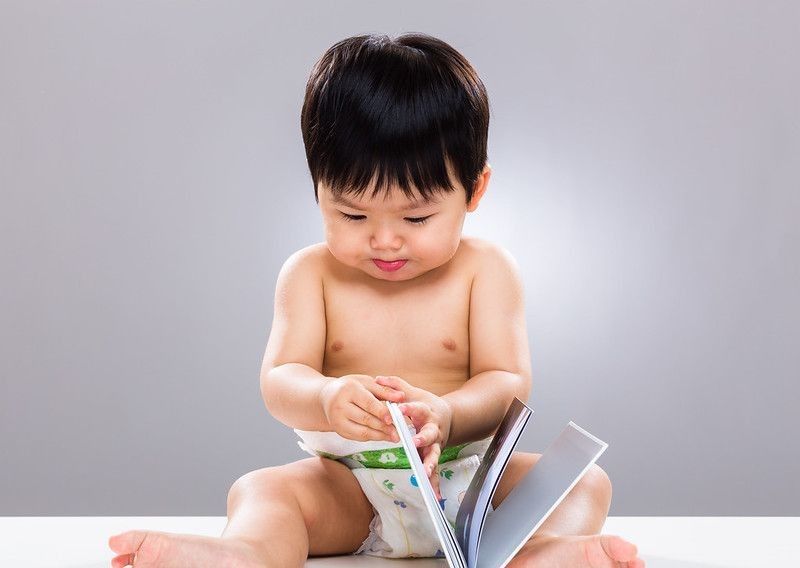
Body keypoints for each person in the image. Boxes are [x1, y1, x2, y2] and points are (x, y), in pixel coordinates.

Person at [108, 32, 644, 568]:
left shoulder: (486, 271)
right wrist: (326, 397)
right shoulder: (310, 274)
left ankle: (541, 552)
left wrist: (447, 413)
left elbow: (507, 384)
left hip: (470, 486)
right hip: (351, 490)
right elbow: (280, 379)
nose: (384, 240)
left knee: (583, 483)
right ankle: (247, 553)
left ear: (474, 192)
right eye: (353, 215)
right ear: (318, 187)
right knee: (262, 490)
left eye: (415, 218)